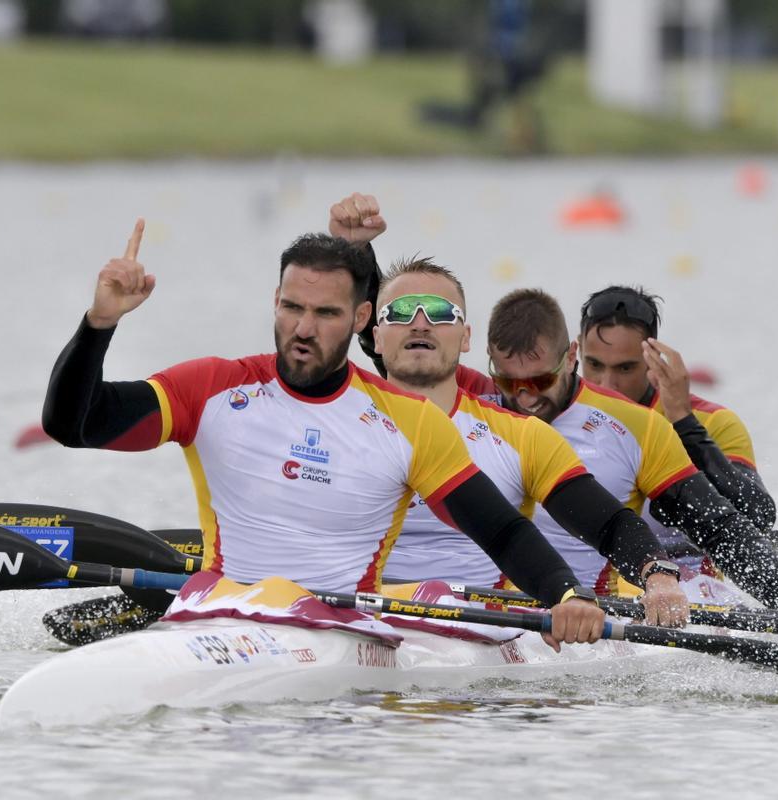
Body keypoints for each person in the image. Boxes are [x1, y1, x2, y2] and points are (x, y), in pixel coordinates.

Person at [41, 218, 606, 650]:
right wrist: (100, 323)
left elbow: (501, 531)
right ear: (275, 302)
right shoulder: (210, 388)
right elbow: (74, 424)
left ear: (361, 319)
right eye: (291, 307)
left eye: (326, 313)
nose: (303, 329)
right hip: (214, 619)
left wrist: (566, 595)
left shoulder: (408, 423)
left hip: (340, 635)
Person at [364, 254, 690, 627]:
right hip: (355, 615)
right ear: (375, 336)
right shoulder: (338, 423)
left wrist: (658, 575)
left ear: (466, 337)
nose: (419, 324)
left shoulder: (522, 436)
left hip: (481, 627)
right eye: (400, 313)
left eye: (440, 313)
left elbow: (610, 525)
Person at [470, 288, 778, 617]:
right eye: (508, 383)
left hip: (637, 591)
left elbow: (731, 523)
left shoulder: (655, 424)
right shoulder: (475, 403)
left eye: (540, 381)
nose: (525, 398)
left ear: (568, 358)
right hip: (511, 601)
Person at [577, 286, 775, 534]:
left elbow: (758, 518)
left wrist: (684, 424)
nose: (606, 384)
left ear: (653, 359)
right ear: (577, 353)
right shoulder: (549, 417)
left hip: (684, 569)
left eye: (625, 368)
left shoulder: (712, 423)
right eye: (594, 364)